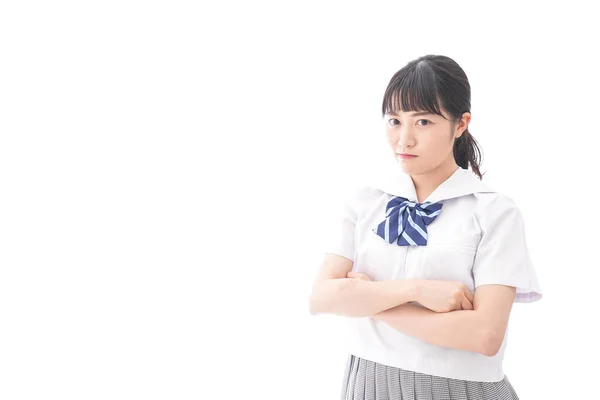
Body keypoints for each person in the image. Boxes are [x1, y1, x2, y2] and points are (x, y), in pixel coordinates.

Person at [308, 54, 543, 400]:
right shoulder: (365, 202)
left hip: (461, 390)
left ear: (460, 124)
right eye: (394, 121)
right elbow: (321, 297)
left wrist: (369, 302)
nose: (404, 140)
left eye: (423, 122)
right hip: (367, 385)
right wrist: (416, 291)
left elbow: (484, 335)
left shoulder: (493, 211)